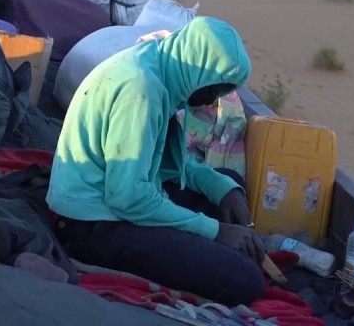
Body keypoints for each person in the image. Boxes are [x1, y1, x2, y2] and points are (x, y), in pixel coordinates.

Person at [45, 16, 266, 306]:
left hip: (128, 196)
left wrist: (225, 189)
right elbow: (128, 198)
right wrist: (214, 231)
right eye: (214, 86)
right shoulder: (142, 91)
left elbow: (167, 165)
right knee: (246, 280)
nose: (214, 98)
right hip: (92, 224)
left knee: (229, 186)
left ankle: (217, 241)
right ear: (198, 69)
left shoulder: (161, 67)